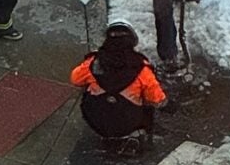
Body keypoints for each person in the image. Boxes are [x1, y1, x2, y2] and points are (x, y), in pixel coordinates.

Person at [70, 20, 167, 156]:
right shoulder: (141, 68)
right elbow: (156, 98)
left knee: (88, 89)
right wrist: (168, 105)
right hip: (128, 121)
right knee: (147, 102)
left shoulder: (93, 63)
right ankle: (136, 134)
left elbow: (75, 79)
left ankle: (107, 131)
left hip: (97, 121)